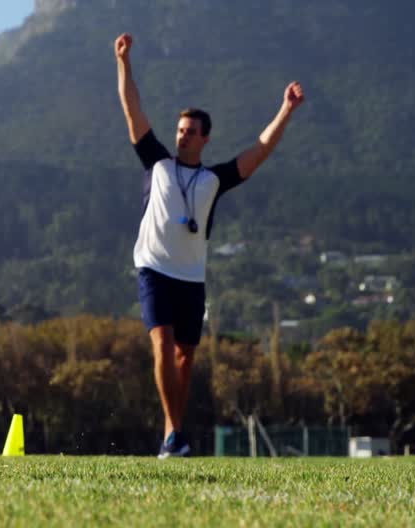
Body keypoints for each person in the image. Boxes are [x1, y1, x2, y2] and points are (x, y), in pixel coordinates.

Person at [113, 32, 304, 458]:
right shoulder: (157, 163)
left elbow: (260, 150)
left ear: (205, 138)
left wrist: (286, 111)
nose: (181, 136)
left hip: (191, 279)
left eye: (190, 132)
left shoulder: (213, 180)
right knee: (161, 344)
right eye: (179, 130)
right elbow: (132, 109)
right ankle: (173, 435)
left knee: (185, 360)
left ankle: (173, 435)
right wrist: (124, 62)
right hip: (155, 270)